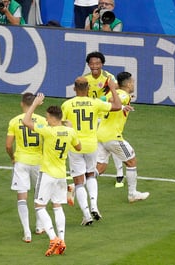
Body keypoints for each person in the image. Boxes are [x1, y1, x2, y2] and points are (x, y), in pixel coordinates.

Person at [22, 93, 81, 256]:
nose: (46, 120)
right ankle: (62, 240)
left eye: (47, 117)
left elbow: (26, 121)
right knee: (57, 206)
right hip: (62, 175)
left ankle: (53, 237)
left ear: (53, 118)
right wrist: (68, 128)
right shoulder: (70, 132)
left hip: (47, 174)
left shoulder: (48, 131)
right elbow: (78, 147)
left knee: (39, 206)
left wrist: (34, 104)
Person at [61, 76, 121, 225]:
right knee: (91, 175)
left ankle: (87, 214)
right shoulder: (96, 103)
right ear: (88, 89)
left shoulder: (67, 105)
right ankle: (94, 205)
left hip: (75, 146)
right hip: (91, 145)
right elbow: (118, 106)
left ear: (74, 89)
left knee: (79, 181)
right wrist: (113, 88)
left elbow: (61, 124)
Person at [96, 72, 150, 203]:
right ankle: (132, 194)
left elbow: (103, 100)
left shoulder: (111, 94)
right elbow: (115, 100)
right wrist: (116, 96)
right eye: (133, 82)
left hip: (100, 135)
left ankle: (75, 186)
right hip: (113, 137)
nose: (133, 85)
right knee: (131, 161)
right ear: (128, 83)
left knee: (100, 168)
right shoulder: (122, 94)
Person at [5, 92, 47, 243]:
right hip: (38, 161)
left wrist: (12, 158)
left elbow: (8, 145)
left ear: (22, 103)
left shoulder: (14, 121)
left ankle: (27, 232)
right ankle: (39, 226)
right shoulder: (43, 121)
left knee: (22, 196)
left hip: (21, 161)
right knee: (39, 194)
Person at [84, 51, 124, 187]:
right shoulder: (85, 79)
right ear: (88, 64)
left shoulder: (109, 77)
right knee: (94, 144)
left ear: (102, 64)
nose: (94, 66)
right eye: (92, 63)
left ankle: (119, 174)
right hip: (93, 116)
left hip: (107, 115)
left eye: (97, 63)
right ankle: (88, 170)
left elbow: (118, 90)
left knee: (113, 143)